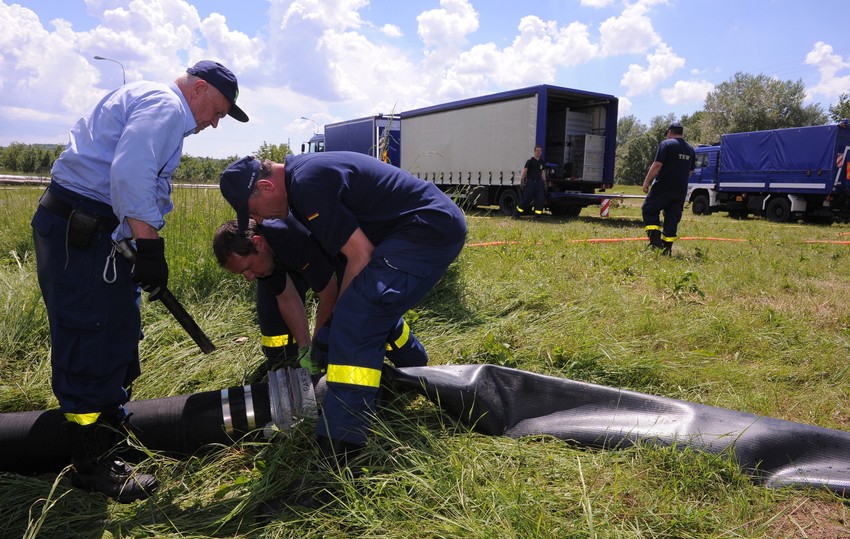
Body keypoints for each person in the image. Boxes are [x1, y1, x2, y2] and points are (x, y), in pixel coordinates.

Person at [31, 60, 248, 503]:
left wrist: (138, 246)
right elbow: (129, 176)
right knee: (89, 335)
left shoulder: (153, 102)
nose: (215, 123)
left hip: (101, 235)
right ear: (199, 88)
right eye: (220, 111)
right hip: (84, 234)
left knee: (115, 332)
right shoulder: (166, 106)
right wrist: (150, 250)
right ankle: (91, 464)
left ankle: (109, 435)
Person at [219, 152, 467, 463]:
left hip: (427, 230)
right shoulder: (301, 183)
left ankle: (341, 448)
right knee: (367, 305)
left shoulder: (308, 184)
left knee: (356, 318)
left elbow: (360, 255)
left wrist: (332, 327)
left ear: (267, 187)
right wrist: (319, 338)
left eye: (256, 210)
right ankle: (413, 367)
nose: (263, 219)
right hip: (408, 232)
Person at [211, 218, 428, 378]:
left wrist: (320, 342)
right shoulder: (263, 259)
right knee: (276, 318)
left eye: (247, 268)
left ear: (258, 243)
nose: (248, 278)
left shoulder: (292, 240)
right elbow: (287, 298)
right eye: (242, 274)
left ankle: (414, 361)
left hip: (354, 259)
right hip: (309, 260)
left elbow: (329, 295)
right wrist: (306, 348)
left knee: (365, 312)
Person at [641, 122, 695, 255]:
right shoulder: (690, 149)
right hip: (680, 188)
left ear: (670, 132)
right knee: (672, 217)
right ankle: (667, 249)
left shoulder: (666, 144)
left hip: (663, 186)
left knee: (648, 209)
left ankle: (655, 242)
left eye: (667, 134)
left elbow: (657, 164)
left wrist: (647, 181)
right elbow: (690, 171)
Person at [515, 145, 547, 218]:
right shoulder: (530, 161)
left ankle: (537, 217)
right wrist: (522, 181)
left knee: (540, 200)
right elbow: (525, 171)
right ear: (534, 151)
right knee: (526, 200)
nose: (539, 152)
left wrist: (545, 182)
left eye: (540, 151)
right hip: (530, 183)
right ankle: (516, 215)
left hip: (538, 183)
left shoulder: (542, 162)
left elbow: (542, 172)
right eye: (537, 151)